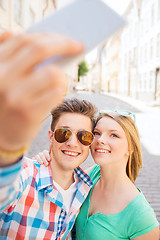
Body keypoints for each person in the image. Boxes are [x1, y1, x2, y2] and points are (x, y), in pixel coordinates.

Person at [37, 111, 159, 239]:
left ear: (131, 148)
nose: (100, 140)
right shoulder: (89, 176)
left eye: (114, 135)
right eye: (97, 133)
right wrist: (45, 161)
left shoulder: (141, 215)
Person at [0, 98, 97, 239]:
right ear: (51, 137)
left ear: (91, 142)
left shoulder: (85, 188)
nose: (73, 143)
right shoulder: (23, 174)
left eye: (83, 136)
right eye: (64, 133)